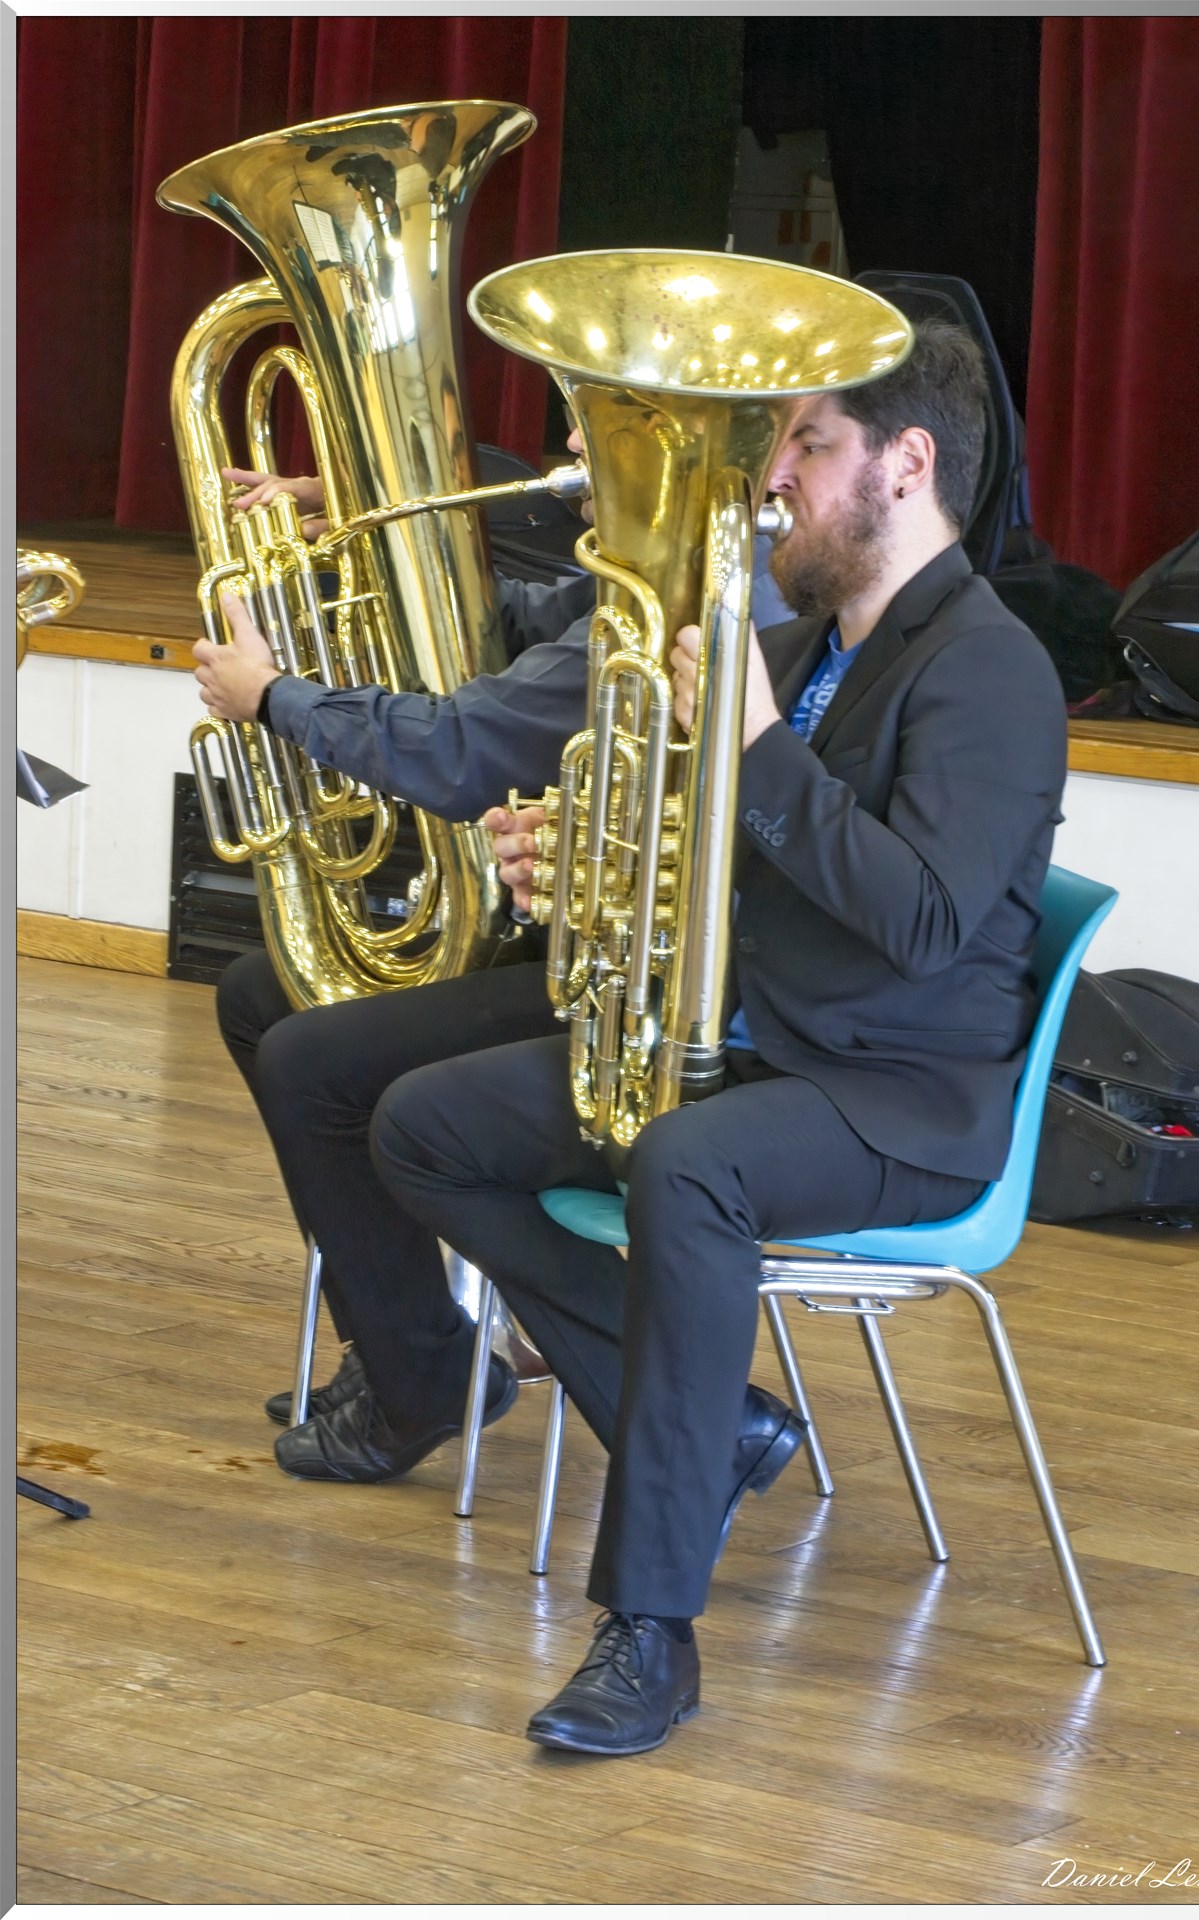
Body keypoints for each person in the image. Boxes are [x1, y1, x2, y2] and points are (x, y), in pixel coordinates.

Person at [306, 318, 1068, 1756]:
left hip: (896, 1096)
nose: (774, 475)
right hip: (772, 1044)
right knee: (426, 1123)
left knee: (689, 1167)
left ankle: (652, 1632)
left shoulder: (990, 669)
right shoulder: (822, 648)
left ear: (907, 465)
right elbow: (740, 860)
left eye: (808, 443)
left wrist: (762, 742)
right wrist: (585, 860)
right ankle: (708, 1430)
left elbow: (918, 920)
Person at [193, 445, 805, 1500]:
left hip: (645, 1003)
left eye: (596, 427)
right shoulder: (637, 580)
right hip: (596, 953)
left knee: (318, 1069)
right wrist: (368, 529)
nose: (572, 448)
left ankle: (430, 1372)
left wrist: (276, 697)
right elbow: (514, 622)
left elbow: (460, 747)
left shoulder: (682, 614)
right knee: (261, 995)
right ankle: (407, 1344)